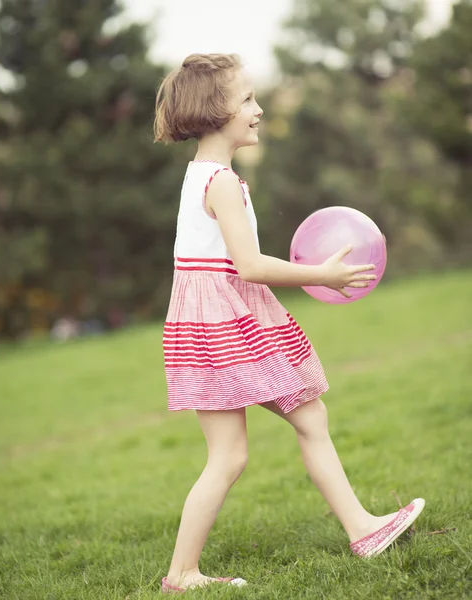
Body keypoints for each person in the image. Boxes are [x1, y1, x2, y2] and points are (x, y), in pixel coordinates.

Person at [154, 53, 425, 594]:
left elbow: (232, 263)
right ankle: (182, 575)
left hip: (215, 319)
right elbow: (249, 265)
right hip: (224, 324)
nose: (258, 109)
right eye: (248, 99)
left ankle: (362, 529)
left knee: (297, 422)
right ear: (216, 112)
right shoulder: (223, 183)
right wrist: (319, 272)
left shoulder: (202, 175)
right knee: (239, 452)